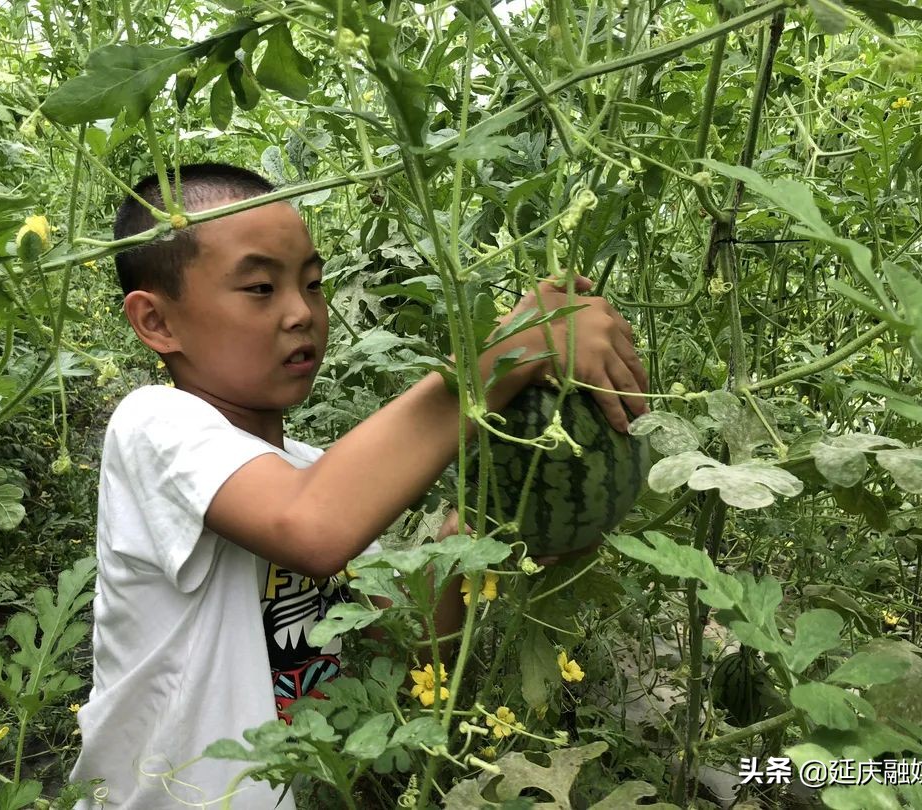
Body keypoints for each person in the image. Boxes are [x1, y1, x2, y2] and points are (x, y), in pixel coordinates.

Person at [68, 162, 648, 809]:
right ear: (157, 323)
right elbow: (311, 530)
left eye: (313, 284)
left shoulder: (313, 472)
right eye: (261, 287)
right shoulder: (152, 425)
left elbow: (412, 637)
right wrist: (508, 353)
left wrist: (471, 546)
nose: (301, 312)